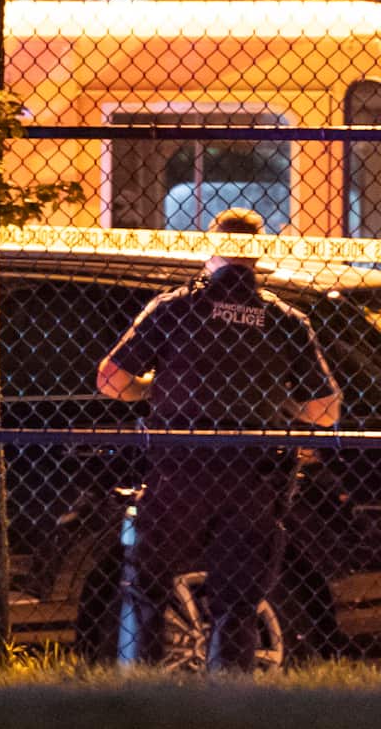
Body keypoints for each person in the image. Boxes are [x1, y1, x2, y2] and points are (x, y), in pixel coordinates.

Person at [96, 207, 341, 672]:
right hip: (252, 475)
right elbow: (325, 411)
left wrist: (154, 387)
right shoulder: (285, 319)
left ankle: (141, 691)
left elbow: (110, 380)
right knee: (238, 603)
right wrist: (277, 401)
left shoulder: (174, 308)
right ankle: (230, 699)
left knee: (147, 587)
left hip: (178, 470)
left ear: (211, 250)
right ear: (258, 256)